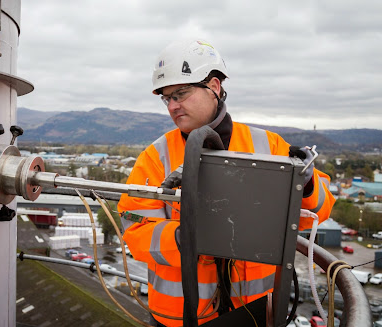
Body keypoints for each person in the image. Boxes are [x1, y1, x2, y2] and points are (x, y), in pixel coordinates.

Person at [117, 38, 335, 327]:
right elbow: (134, 227)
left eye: (180, 94)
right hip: (180, 317)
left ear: (215, 87)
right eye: (166, 98)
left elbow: (316, 213)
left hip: (253, 312)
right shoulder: (157, 157)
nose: (172, 106)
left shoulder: (266, 145)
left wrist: (306, 186)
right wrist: (184, 237)